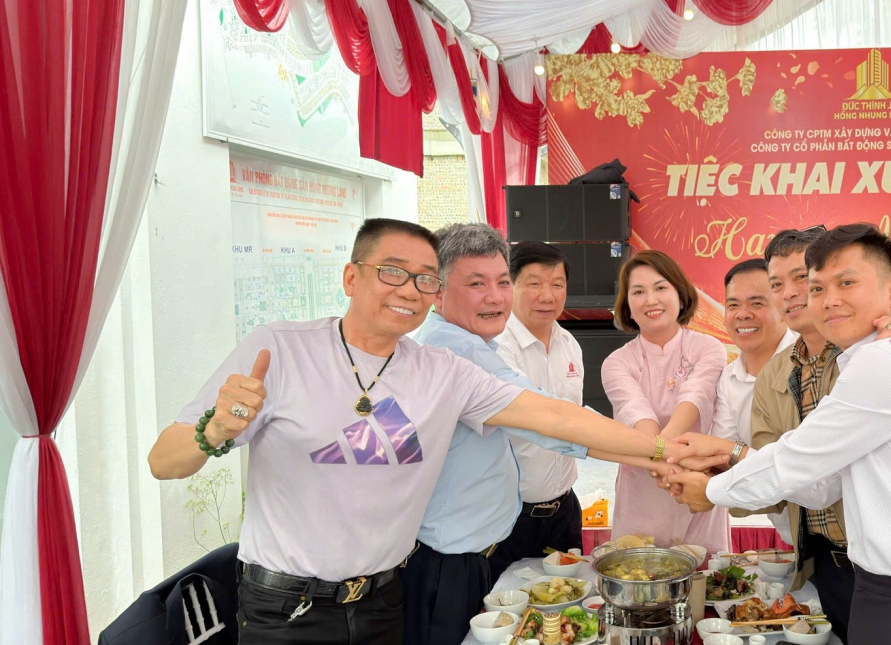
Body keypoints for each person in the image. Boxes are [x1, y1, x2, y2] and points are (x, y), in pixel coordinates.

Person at [147, 219, 686, 645]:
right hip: (287, 607)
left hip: (382, 597)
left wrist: (664, 450)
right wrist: (212, 431)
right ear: (351, 277)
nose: (409, 289)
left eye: (423, 278)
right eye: (392, 272)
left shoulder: (439, 369)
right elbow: (162, 462)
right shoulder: (280, 348)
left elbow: (553, 418)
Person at [663, 223, 891, 645]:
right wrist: (727, 458)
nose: (827, 299)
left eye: (846, 283)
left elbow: (794, 461)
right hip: (883, 590)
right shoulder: (852, 362)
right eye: (818, 288)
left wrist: (711, 491)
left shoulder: (887, 361)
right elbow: (819, 485)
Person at [405, 225, 678, 645]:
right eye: (476, 284)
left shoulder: (479, 345)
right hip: (450, 561)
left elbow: (563, 423)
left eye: (501, 282)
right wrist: (663, 453)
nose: (495, 297)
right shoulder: (455, 353)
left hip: (486, 544)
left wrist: (657, 456)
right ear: (436, 291)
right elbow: (553, 420)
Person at [602, 249, 730, 554]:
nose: (651, 300)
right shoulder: (616, 363)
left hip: (699, 484)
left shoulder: (709, 348)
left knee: (706, 575)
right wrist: (665, 461)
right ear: (627, 305)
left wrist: (662, 455)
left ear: (681, 295)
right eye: (638, 292)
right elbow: (638, 415)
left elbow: (695, 397)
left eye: (660, 288)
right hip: (643, 488)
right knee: (637, 572)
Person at [494, 241, 587, 563]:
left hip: (565, 511)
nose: (547, 296)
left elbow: (576, 421)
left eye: (557, 285)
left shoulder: (569, 343)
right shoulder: (497, 348)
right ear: (509, 285)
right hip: (509, 518)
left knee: (570, 595)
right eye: (534, 284)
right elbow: (552, 422)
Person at [712, 259, 798, 545]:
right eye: (733, 305)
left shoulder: (809, 362)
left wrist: (730, 455)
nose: (742, 314)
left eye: (757, 303)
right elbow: (724, 458)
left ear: (783, 307)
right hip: (791, 535)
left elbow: (803, 467)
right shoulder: (728, 377)